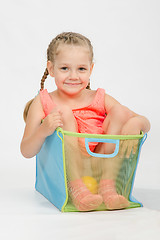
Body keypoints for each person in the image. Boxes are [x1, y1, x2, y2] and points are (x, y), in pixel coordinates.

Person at [21, 32, 150, 211]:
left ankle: (109, 188)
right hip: (68, 170)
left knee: (120, 112)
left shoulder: (99, 97)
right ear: (51, 69)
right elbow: (26, 151)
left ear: (91, 69)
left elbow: (144, 122)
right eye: (64, 68)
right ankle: (77, 189)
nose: (73, 76)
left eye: (81, 69)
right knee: (63, 112)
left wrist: (137, 123)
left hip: (100, 165)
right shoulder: (43, 101)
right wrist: (44, 129)